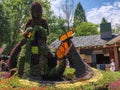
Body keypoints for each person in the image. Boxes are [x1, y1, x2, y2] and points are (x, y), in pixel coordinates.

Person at [8, 2, 50, 70]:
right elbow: (24, 34)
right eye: (33, 10)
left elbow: (47, 33)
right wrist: (29, 32)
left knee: (47, 53)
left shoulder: (43, 21)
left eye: (36, 10)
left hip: (40, 40)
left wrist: (41, 31)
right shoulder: (30, 21)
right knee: (19, 47)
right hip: (30, 39)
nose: (35, 12)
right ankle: (12, 65)